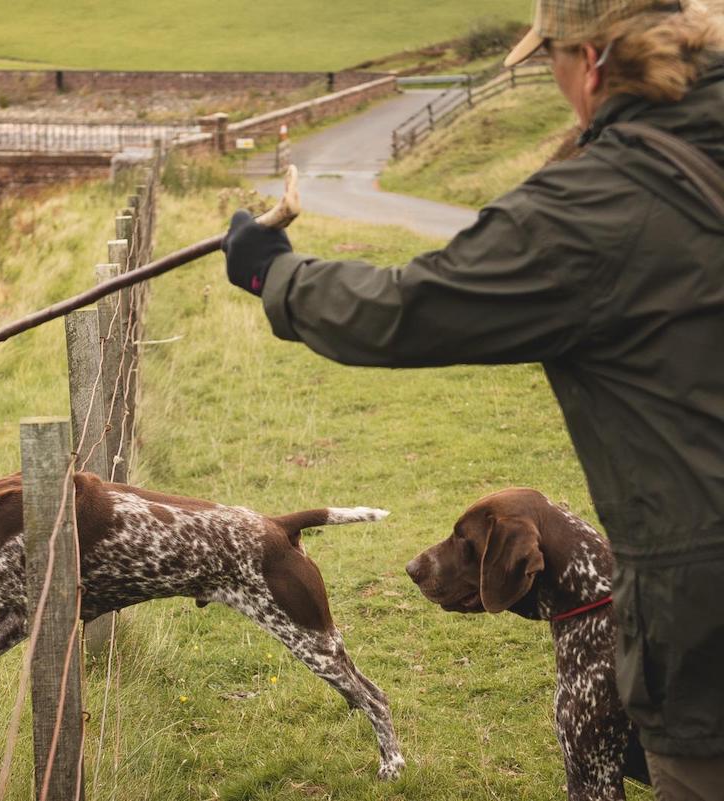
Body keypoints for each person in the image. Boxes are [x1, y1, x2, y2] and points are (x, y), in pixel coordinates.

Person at [222, 1, 724, 798]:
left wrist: (274, 274)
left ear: (590, 60)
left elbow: (412, 307)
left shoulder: (603, 199)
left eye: (550, 61)